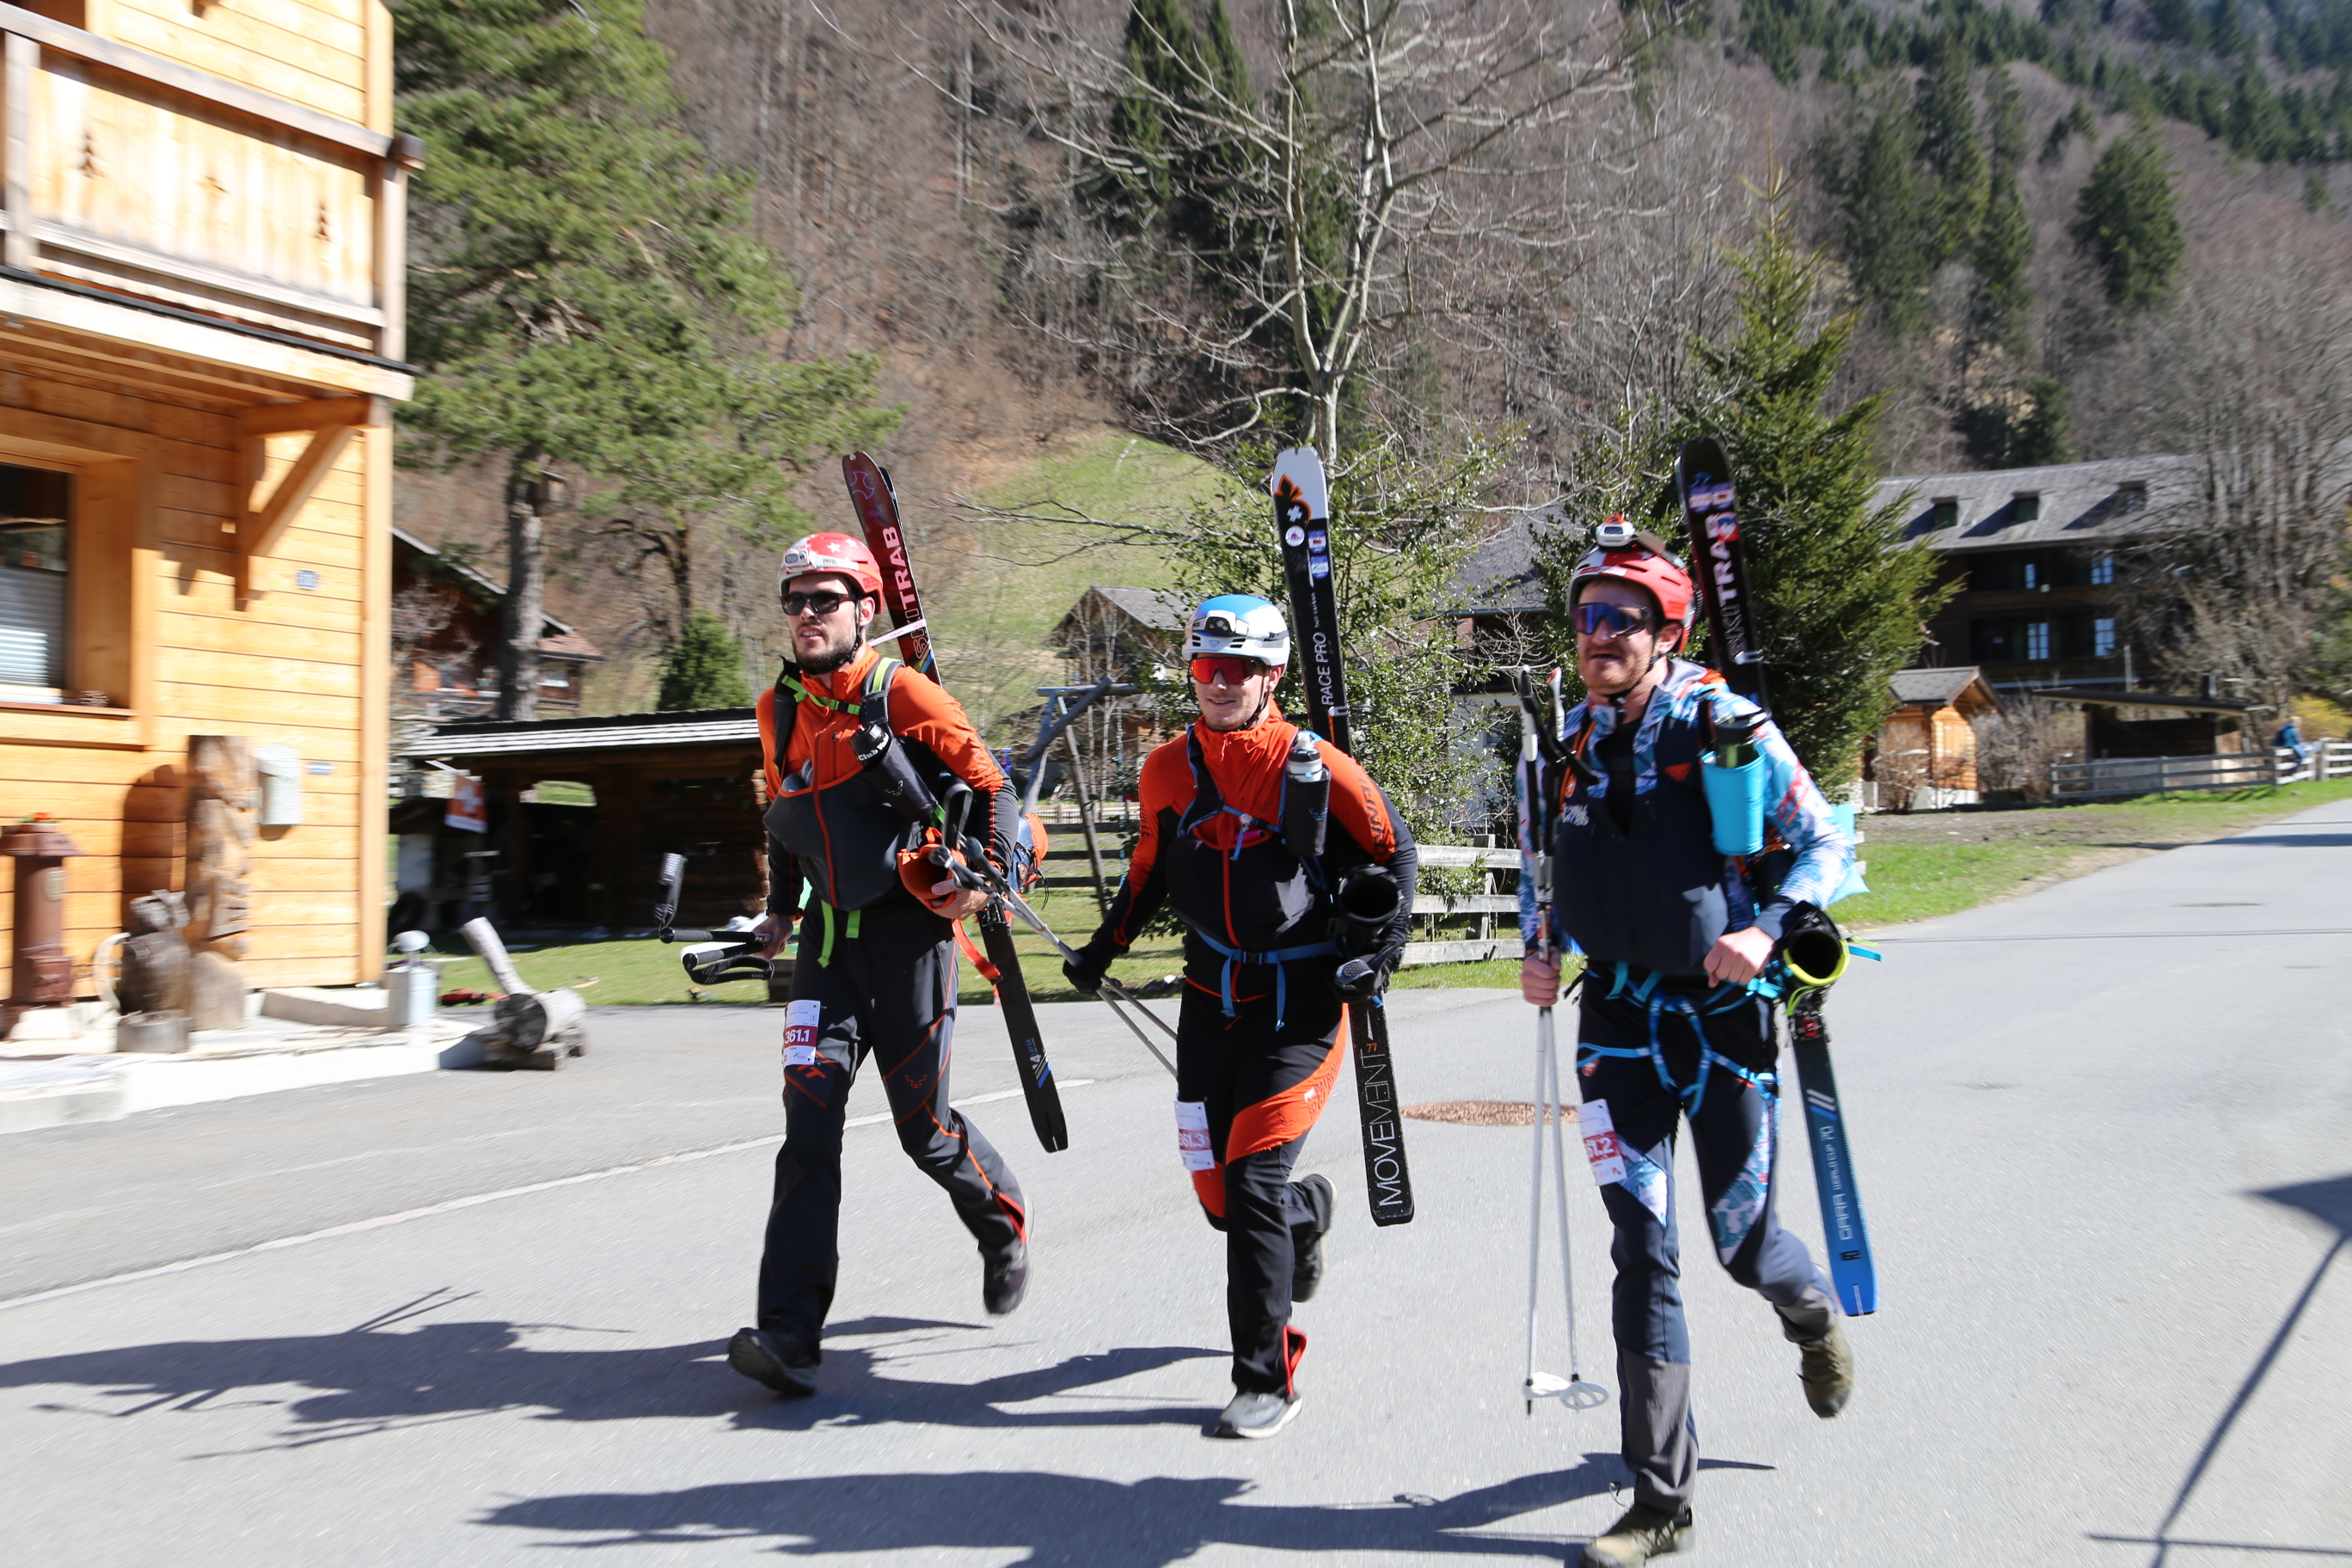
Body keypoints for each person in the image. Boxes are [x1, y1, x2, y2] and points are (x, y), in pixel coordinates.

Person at [1519, 525, 1856, 1568]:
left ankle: (1810, 1314)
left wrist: (1768, 929)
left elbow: (1828, 841)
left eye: (1621, 619)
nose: (1598, 635)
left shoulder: (1724, 724)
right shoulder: (1565, 744)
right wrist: (1538, 945)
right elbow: (1540, 865)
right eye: (1586, 616)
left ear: (1667, 632)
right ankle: (1661, 1502)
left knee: (1742, 1243)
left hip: (1721, 1027)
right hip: (1615, 1029)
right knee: (1641, 1250)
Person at [1062, 595, 1418, 1440]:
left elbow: (1394, 850)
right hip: (1209, 1003)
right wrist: (1102, 950)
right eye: (1205, 667)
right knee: (1223, 1199)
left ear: (1272, 675)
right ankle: (1306, 1212)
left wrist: (1385, 955)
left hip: (1303, 1006)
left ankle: (1265, 1377)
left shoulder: (1315, 765)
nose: (1219, 683)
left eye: (1239, 669)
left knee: (1252, 1178)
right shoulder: (1165, 770)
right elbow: (1149, 871)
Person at [726, 531, 1031, 1400]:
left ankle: (1003, 1223)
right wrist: (781, 910)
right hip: (826, 948)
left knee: (924, 1134)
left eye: (825, 599)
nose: (807, 614)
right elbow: (786, 814)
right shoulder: (778, 709)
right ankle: (790, 1333)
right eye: (795, 601)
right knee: (807, 1130)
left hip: (910, 941)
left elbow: (993, 786)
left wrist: (990, 878)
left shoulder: (903, 693)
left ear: (864, 610)